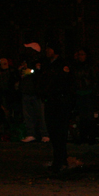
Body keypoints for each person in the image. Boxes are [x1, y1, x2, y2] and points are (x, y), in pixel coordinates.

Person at [40, 45, 74, 173]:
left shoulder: (62, 65)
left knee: (59, 132)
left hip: (60, 102)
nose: (47, 50)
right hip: (51, 101)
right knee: (53, 132)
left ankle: (59, 160)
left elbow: (64, 82)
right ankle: (60, 158)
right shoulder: (47, 64)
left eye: (50, 48)